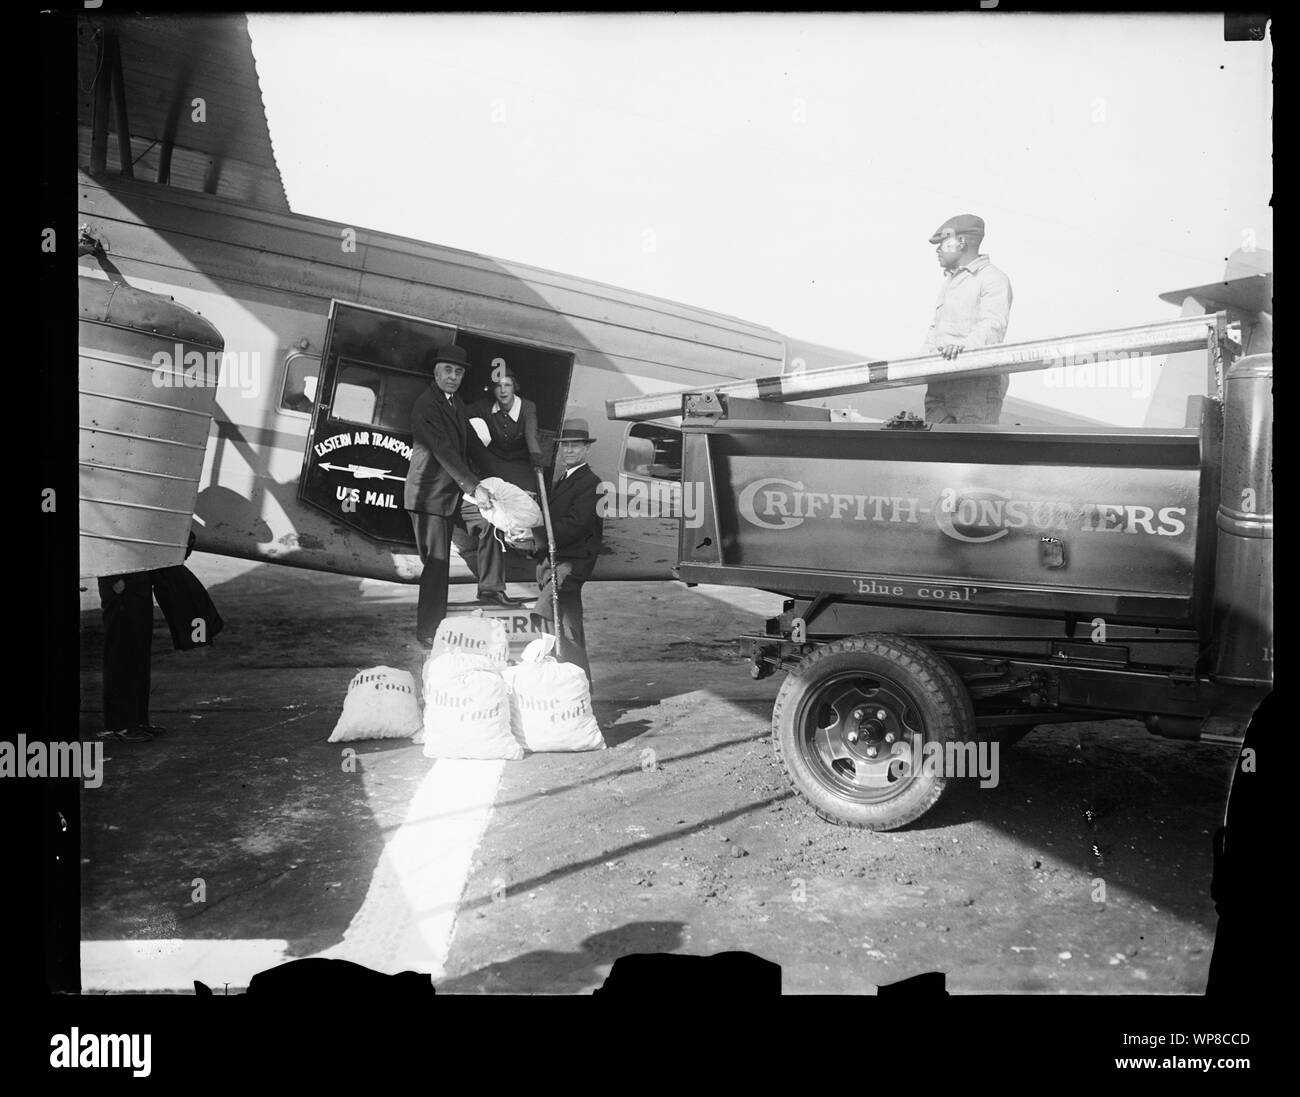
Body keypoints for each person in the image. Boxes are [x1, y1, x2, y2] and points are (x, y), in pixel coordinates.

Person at [404, 344, 503, 644]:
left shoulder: (453, 401)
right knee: (436, 564)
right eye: (447, 370)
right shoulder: (427, 405)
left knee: (488, 525)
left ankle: (490, 590)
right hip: (430, 497)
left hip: (451, 493)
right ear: (436, 371)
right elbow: (444, 452)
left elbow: (472, 444)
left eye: (458, 372)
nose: (453, 377)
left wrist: (505, 477)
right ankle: (429, 631)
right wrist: (476, 487)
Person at [527, 419, 603, 687]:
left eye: (575, 446)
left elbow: (575, 525)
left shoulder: (591, 482)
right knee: (569, 629)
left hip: (572, 564)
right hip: (557, 562)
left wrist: (533, 536)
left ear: (586, 449)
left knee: (547, 614)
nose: (569, 451)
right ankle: (581, 686)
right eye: (565, 446)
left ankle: (564, 680)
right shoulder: (563, 479)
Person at [920, 213, 1013, 424]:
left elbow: (992, 326)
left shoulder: (992, 279)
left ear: (961, 242)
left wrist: (962, 348)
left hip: (974, 385)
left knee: (972, 450)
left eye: (943, 243)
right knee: (938, 450)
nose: (937, 250)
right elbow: (935, 329)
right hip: (941, 380)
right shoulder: (951, 282)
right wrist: (921, 361)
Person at [466, 370, 547, 496]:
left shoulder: (527, 406)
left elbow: (531, 435)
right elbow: (460, 413)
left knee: (525, 496)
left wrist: (537, 459)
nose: (503, 390)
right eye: (498, 386)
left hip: (519, 465)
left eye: (507, 385)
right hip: (492, 463)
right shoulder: (485, 406)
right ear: (493, 389)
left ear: (514, 387)